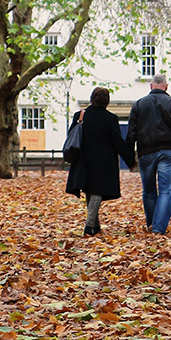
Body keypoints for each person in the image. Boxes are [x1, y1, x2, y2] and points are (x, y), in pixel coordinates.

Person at [66, 87, 135, 236]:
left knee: (89, 191)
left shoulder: (81, 115)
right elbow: (118, 143)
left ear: (92, 99)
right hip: (103, 162)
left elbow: (71, 135)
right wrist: (130, 161)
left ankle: (95, 226)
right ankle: (89, 225)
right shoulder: (110, 118)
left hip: (83, 160)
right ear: (106, 102)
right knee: (97, 192)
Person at [126, 73, 171, 235]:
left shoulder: (139, 105)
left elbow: (131, 133)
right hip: (167, 151)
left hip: (146, 152)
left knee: (148, 191)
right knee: (165, 190)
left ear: (151, 86)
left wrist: (129, 157)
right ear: (166, 87)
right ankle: (158, 228)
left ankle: (151, 224)